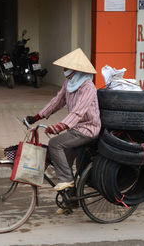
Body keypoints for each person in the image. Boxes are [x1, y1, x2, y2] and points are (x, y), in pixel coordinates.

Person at [25, 48, 101, 192]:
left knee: (55, 143)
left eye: (67, 67)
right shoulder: (69, 83)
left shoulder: (88, 87)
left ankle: (66, 179)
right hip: (75, 129)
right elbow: (57, 101)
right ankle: (71, 200)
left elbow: (78, 111)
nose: (64, 70)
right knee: (63, 160)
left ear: (76, 69)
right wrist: (37, 116)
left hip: (88, 129)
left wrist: (61, 126)